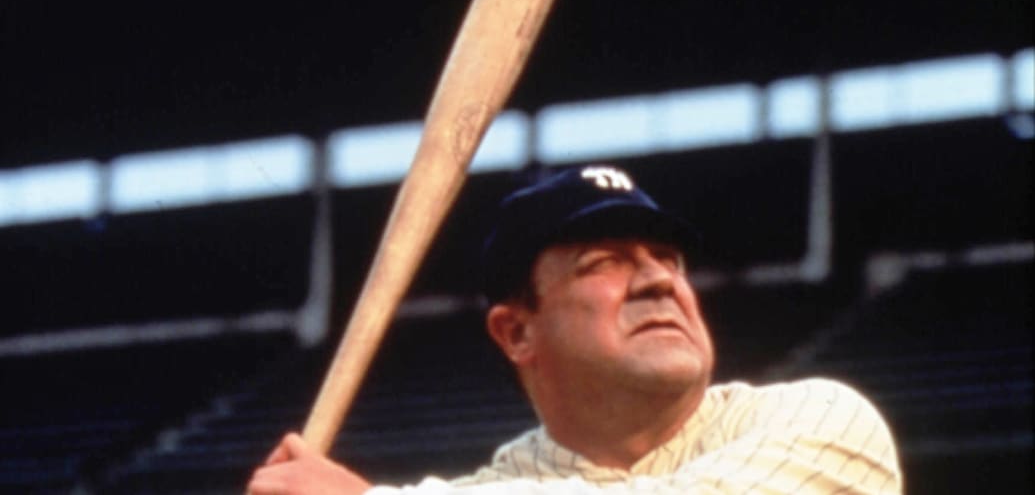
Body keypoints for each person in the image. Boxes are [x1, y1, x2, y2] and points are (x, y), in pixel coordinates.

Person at [249, 165, 902, 494]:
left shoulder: (822, 422)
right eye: (605, 263)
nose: (657, 281)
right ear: (515, 333)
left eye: (667, 260)